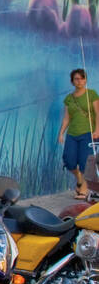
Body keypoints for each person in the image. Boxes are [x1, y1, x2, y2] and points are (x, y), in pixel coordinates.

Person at [57, 68, 99, 198]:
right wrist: (61, 133)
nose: (79, 81)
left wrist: (97, 130)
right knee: (69, 160)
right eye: (76, 79)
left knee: (84, 162)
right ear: (72, 81)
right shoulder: (69, 98)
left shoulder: (91, 94)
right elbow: (66, 118)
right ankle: (79, 180)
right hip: (72, 134)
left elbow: (98, 113)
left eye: (82, 78)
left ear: (85, 80)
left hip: (88, 133)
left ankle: (84, 190)